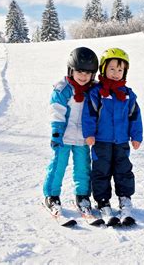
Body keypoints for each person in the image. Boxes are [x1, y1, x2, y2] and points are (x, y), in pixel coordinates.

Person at [83, 48, 143, 226]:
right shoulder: (97, 93)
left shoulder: (127, 94)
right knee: (101, 172)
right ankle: (103, 202)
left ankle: (125, 200)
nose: (116, 73)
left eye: (120, 70)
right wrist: (89, 134)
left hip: (121, 142)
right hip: (101, 141)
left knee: (123, 170)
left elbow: (135, 116)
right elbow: (89, 114)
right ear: (103, 69)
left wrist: (136, 136)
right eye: (112, 69)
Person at [43, 47, 99, 216]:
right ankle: (51, 196)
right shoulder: (63, 89)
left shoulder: (93, 90)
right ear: (71, 70)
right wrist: (56, 134)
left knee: (83, 168)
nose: (83, 76)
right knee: (58, 166)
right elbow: (57, 112)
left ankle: (82, 196)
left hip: (83, 138)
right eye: (80, 72)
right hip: (64, 137)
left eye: (88, 73)